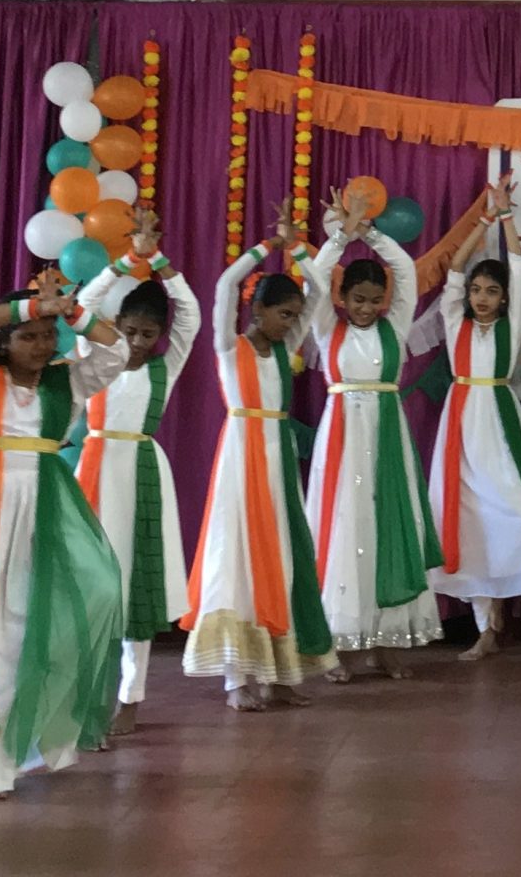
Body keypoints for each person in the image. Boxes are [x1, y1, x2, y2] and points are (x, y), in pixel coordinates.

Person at [0, 268, 128, 793]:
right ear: (3, 341)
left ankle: (22, 742)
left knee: (62, 611)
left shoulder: (66, 380)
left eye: (46, 335)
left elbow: (116, 351)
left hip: (49, 507)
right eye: (27, 335)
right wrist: (30, 307)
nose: (40, 345)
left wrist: (71, 312)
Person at [183, 218, 337, 708]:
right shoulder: (230, 348)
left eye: (295, 316)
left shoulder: (285, 350)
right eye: (283, 314)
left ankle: (281, 674)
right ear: (259, 309)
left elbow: (319, 290)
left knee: (284, 557)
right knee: (238, 558)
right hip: (240, 458)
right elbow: (225, 285)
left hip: (276, 461)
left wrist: (298, 249)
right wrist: (268, 245)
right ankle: (237, 680)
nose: (291, 323)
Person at [73, 206, 202, 734]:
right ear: (116, 326)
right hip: (95, 470)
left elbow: (190, 313)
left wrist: (162, 263)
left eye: (149, 334)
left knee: (137, 585)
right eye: (130, 331)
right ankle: (86, 694)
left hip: (144, 473)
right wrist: (129, 260)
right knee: (92, 582)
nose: (139, 341)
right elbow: (84, 304)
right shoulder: (95, 353)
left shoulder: (165, 368)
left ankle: (130, 697)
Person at [302, 193, 442, 676]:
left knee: (387, 527)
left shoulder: (395, 325)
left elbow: (402, 269)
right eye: (356, 299)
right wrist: (341, 237)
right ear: (342, 299)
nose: (365, 308)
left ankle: (387, 642)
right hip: (341, 438)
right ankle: (336, 648)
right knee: (344, 529)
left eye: (373, 300)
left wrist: (370, 233)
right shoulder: (326, 328)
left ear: (385, 301)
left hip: (386, 436)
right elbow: (316, 277)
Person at [415, 176, 521, 659]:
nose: (482, 297)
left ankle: (502, 608)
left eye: (492, 291)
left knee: (515, 515)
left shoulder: (512, 323)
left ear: (505, 298)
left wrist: (507, 217)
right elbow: (453, 270)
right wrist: (484, 219)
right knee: (462, 519)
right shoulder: (455, 320)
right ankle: (485, 625)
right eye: (477, 290)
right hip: (461, 425)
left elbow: (519, 266)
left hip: (500, 424)